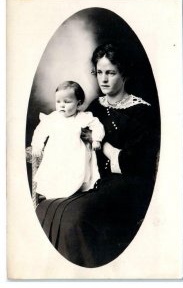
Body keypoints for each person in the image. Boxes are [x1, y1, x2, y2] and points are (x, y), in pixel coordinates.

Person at [35, 43, 160, 268]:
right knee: (47, 207)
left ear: (124, 74)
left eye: (111, 73)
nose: (103, 79)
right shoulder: (95, 106)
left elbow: (141, 162)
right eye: (99, 72)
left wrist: (105, 148)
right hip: (95, 179)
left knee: (76, 218)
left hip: (129, 185)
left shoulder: (143, 111)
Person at [31, 81, 105, 199]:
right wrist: (37, 146)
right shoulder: (53, 118)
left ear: (78, 103)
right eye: (58, 102)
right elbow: (40, 131)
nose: (62, 105)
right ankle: (51, 193)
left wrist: (97, 140)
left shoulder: (82, 117)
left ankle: (71, 191)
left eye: (67, 102)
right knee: (54, 172)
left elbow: (97, 126)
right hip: (56, 153)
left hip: (75, 154)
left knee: (75, 173)